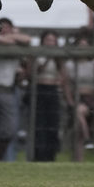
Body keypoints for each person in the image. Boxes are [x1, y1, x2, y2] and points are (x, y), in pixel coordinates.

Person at [0, 18, 31, 161]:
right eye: (2, 27)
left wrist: (12, 36)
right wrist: (12, 36)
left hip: (9, 90)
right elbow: (2, 41)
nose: (4, 29)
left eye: (8, 27)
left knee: (10, 129)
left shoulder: (16, 42)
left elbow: (27, 39)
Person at [32, 30, 73, 162]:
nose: (50, 43)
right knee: (39, 124)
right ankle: (38, 155)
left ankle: (51, 155)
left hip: (53, 90)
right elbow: (33, 72)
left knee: (52, 124)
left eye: (53, 40)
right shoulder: (37, 55)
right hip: (39, 89)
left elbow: (63, 76)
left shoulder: (59, 58)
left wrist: (69, 99)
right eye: (48, 40)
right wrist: (48, 57)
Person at [66, 31, 94, 162]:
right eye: (80, 46)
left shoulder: (93, 63)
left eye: (85, 46)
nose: (83, 48)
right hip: (77, 97)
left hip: (90, 98)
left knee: (80, 119)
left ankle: (87, 140)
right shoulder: (70, 65)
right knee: (78, 127)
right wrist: (70, 100)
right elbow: (66, 84)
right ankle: (81, 154)